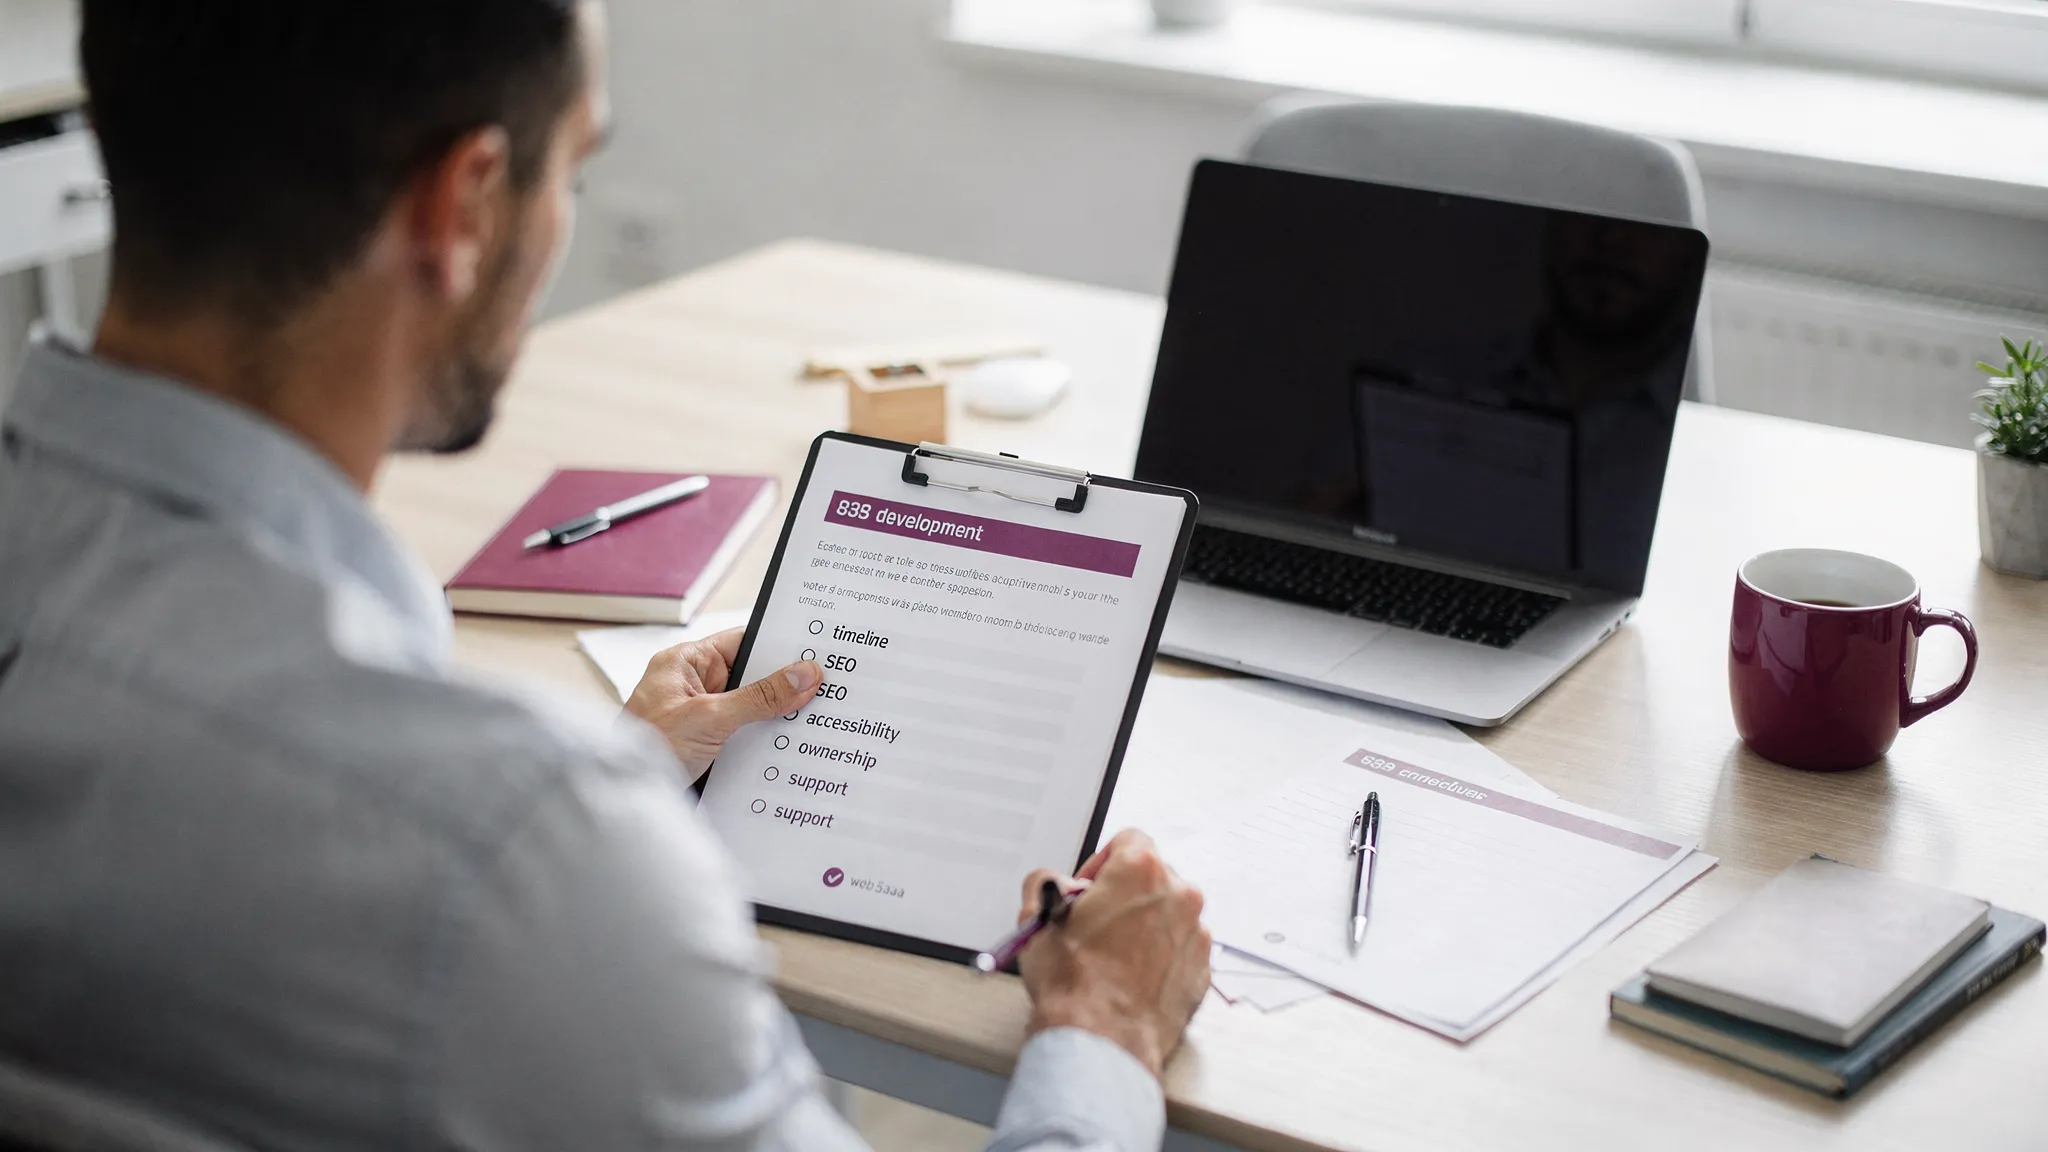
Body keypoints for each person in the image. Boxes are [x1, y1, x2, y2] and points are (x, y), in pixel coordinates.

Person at [0, 2, 1212, 1149]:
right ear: (465, 207)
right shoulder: (522, 846)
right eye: (572, 169)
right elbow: (458, 858)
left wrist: (616, 777)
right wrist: (1102, 1031)